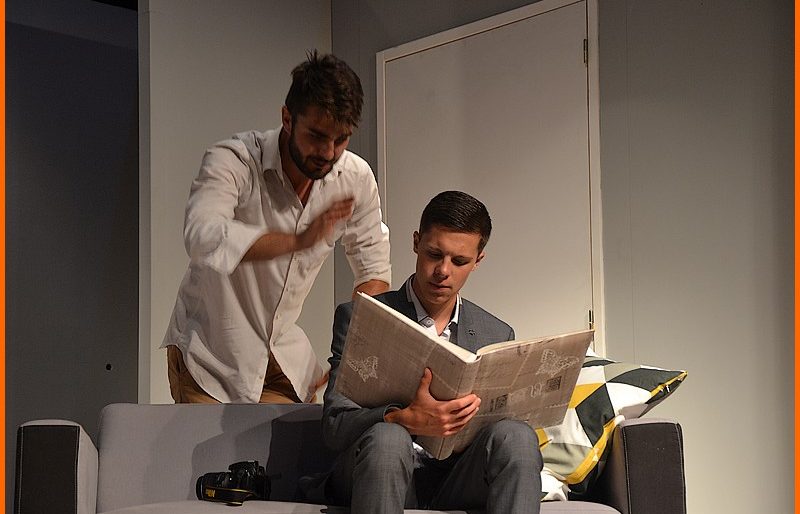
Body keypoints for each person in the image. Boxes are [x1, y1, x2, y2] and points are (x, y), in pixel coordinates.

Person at [162, 51, 391, 405]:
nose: (328, 152)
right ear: (287, 118)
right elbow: (202, 235)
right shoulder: (234, 160)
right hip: (211, 357)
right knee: (216, 445)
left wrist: (353, 354)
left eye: (341, 139)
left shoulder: (355, 178)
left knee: (306, 440)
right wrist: (297, 241)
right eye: (316, 136)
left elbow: (373, 272)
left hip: (282, 356)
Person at [320, 191, 542, 513]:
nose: (443, 271)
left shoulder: (497, 334)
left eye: (459, 261)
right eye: (434, 254)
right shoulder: (360, 317)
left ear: (478, 260)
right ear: (416, 242)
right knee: (389, 439)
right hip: (377, 467)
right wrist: (401, 418)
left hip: (458, 478)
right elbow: (334, 425)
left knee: (517, 436)